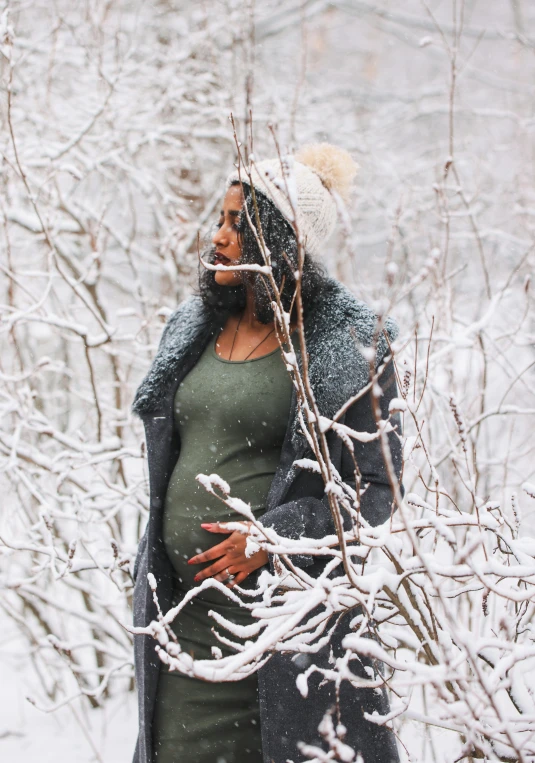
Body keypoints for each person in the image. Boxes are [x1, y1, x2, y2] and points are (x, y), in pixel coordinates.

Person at [131, 144, 402, 763]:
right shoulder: (193, 325)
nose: (219, 237)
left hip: (285, 639)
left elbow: (376, 491)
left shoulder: (349, 345)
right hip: (181, 629)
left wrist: (273, 538)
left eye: (237, 224)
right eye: (221, 220)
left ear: (280, 239)